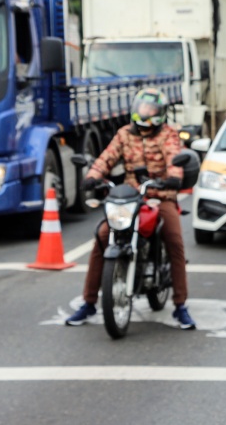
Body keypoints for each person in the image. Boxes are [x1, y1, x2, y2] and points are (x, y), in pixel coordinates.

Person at [66, 88, 196, 330]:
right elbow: (106, 158)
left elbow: (173, 158)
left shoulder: (168, 134)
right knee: (103, 237)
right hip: (130, 199)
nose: (146, 113)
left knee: (175, 241)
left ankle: (180, 305)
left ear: (160, 113)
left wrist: (173, 179)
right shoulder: (124, 134)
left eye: (151, 110)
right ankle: (89, 303)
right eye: (143, 108)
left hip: (160, 196)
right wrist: (92, 176)